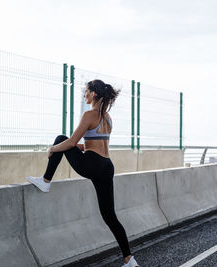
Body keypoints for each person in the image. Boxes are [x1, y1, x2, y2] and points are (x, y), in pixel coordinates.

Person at [26, 79, 139, 267]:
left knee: (60, 139)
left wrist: (53, 149)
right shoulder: (107, 118)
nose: (84, 94)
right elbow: (91, 145)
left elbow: (70, 142)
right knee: (110, 216)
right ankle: (129, 260)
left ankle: (46, 180)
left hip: (92, 165)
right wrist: (74, 147)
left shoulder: (89, 115)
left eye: (86, 91)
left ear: (94, 94)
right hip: (106, 166)